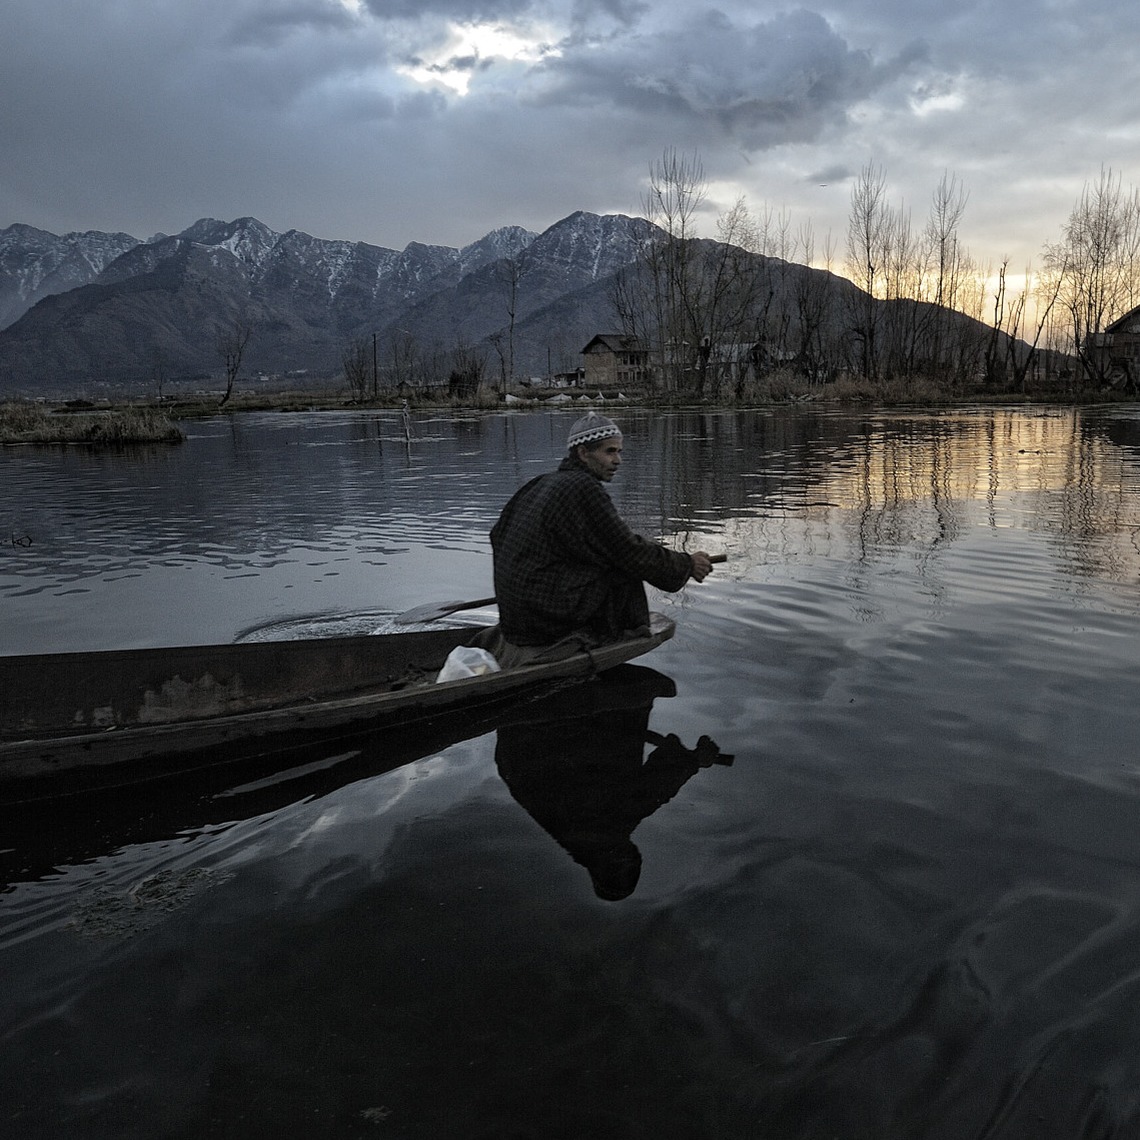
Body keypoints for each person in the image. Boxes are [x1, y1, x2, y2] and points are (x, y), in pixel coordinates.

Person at [479, 411, 715, 662]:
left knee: (607, 559)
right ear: (583, 453)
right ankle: (616, 637)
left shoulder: (541, 483)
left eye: (619, 452)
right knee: (623, 570)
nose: (618, 460)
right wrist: (687, 564)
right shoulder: (583, 488)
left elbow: (498, 535)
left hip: (516, 617)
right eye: (610, 451)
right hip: (541, 619)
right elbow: (629, 551)